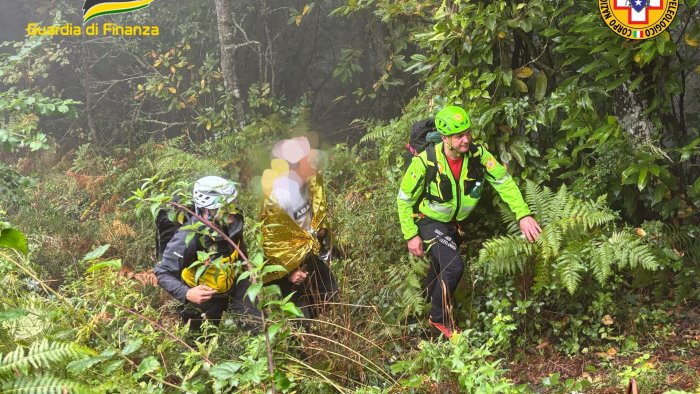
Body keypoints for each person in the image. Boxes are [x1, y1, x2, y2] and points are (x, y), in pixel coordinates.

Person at [397, 106, 542, 339]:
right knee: (453, 267)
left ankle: (419, 308)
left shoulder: (478, 155)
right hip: (429, 220)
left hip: (454, 223)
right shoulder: (425, 162)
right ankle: (439, 319)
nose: (466, 140)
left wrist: (523, 214)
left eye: (467, 133)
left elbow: (503, 182)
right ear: (445, 138)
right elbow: (404, 200)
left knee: (439, 266)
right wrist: (410, 235)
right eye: (459, 136)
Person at [155, 176, 260, 332]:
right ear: (208, 209)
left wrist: (246, 267)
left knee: (257, 327)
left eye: (232, 203)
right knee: (200, 343)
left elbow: (239, 245)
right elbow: (162, 272)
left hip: (235, 282)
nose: (232, 209)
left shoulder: (234, 220)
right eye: (225, 206)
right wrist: (187, 293)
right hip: (203, 296)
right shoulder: (188, 237)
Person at [260, 136, 338, 323]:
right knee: (300, 316)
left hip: (308, 251)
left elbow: (317, 212)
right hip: (286, 262)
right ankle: (299, 344)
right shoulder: (279, 197)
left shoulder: (310, 181)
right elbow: (272, 241)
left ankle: (316, 329)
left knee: (330, 293)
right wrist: (290, 271)